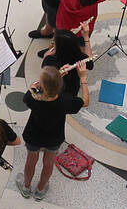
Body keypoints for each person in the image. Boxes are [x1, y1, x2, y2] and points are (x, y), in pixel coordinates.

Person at [19, 63, 88, 199]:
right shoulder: (66, 101)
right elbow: (85, 101)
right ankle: (40, 189)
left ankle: (26, 187)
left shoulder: (32, 96)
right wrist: (83, 77)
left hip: (33, 136)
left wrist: (46, 81)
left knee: (31, 161)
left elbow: (33, 90)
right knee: (48, 164)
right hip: (54, 138)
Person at [40, 29, 93, 94]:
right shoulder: (80, 56)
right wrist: (86, 37)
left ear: (59, 48)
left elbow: (45, 71)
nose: (52, 43)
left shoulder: (49, 60)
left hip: (54, 89)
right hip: (73, 88)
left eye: (54, 42)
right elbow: (90, 64)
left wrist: (45, 56)